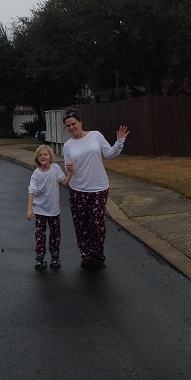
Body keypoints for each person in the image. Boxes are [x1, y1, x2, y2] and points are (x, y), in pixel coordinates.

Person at [61, 108, 129, 269]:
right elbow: (67, 166)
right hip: (77, 189)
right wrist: (68, 168)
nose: (71, 127)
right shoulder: (68, 145)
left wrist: (119, 141)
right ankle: (86, 254)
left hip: (98, 188)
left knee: (96, 224)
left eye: (73, 124)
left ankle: (98, 254)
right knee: (81, 224)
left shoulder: (95, 136)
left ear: (80, 122)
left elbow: (110, 153)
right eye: (68, 126)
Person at [26, 145, 73, 269]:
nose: (43, 157)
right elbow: (32, 191)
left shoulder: (55, 168)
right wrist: (30, 209)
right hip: (40, 210)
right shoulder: (36, 174)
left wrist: (71, 172)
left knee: (55, 234)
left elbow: (64, 182)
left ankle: (55, 256)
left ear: (50, 156)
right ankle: (40, 257)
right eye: (40, 155)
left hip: (53, 210)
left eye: (45, 154)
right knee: (40, 234)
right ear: (37, 158)